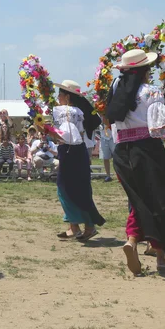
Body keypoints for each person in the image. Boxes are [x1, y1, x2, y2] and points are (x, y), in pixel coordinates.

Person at [106, 49, 165, 275]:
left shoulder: (115, 89)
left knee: (138, 199)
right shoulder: (151, 92)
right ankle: (160, 259)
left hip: (121, 152)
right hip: (147, 151)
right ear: (144, 71)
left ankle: (131, 241)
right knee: (160, 201)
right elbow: (160, 124)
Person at [53, 79, 104, 242]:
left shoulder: (64, 111)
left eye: (60, 94)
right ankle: (75, 225)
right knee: (79, 187)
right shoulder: (80, 111)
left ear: (67, 96)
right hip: (78, 151)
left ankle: (82, 225)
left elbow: (60, 133)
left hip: (70, 151)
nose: (58, 97)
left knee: (65, 187)